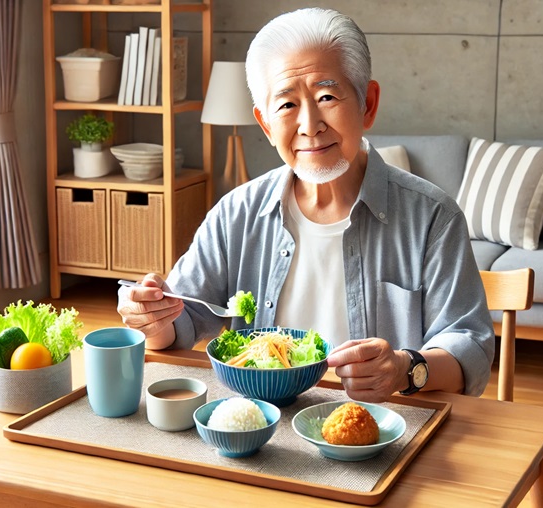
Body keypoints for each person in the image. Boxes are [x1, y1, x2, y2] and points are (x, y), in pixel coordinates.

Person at [117, 7, 494, 401]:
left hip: (385, 437)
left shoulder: (433, 217)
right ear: (265, 124)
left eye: (327, 96)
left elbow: (471, 349)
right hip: (261, 432)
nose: (309, 125)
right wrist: (151, 318)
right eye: (286, 105)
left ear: (367, 104)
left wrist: (405, 369)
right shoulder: (236, 214)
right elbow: (181, 323)